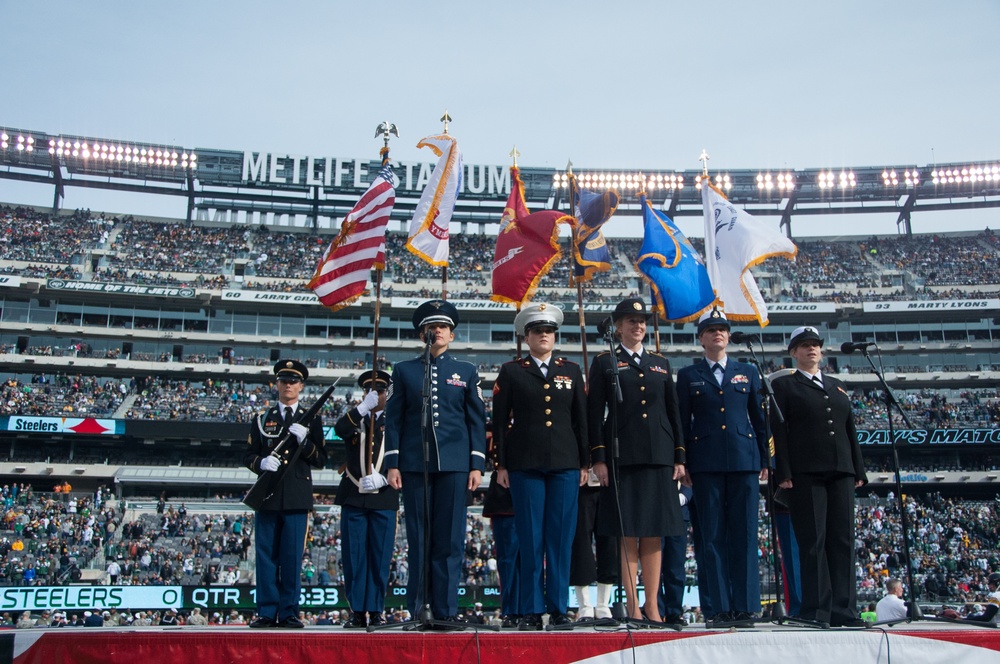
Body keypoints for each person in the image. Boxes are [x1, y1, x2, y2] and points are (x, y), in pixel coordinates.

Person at [384, 299, 487, 625]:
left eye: (443, 327)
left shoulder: (467, 371)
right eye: (432, 327)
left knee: (450, 541)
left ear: (452, 334)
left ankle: (445, 611)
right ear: (422, 334)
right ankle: (419, 609)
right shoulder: (403, 371)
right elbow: (394, 419)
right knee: (418, 540)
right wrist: (393, 462)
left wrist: (476, 464)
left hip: (456, 465)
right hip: (415, 464)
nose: (437, 331)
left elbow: (476, 420)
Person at [588, 297, 686, 624]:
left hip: (659, 455)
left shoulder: (660, 362)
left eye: (642, 321)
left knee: (655, 531)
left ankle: (653, 606)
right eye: (631, 321)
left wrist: (679, 456)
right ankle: (632, 606)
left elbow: (673, 413)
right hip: (622, 456)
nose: (638, 326)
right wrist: (598, 458)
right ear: (617, 327)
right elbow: (593, 415)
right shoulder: (605, 362)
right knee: (627, 530)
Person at [493, 303, 589, 630]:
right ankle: (532, 609)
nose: (544, 335)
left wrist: (585, 463)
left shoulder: (571, 371)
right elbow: (500, 422)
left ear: (554, 336)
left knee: (560, 539)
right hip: (525, 464)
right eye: (537, 331)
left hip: (565, 463)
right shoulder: (512, 371)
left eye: (548, 331)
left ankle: (560, 608)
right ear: (527, 336)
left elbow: (582, 422)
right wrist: (501, 464)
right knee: (531, 539)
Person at [675, 309, 769, 627]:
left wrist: (766, 461)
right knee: (710, 537)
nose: (718, 333)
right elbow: (681, 424)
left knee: (744, 535)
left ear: (728, 336)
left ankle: (744, 606)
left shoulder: (748, 372)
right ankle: (716, 607)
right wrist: (683, 460)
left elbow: (760, 419)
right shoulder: (688, 375)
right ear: (700, 338)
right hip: (705, 463)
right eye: (711, 329)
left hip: (744, 461)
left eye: (723, 329)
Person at [773, 326, 868, 628]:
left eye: (815, 345)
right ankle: (817, 609)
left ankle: (844, 609)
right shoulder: (785, 386)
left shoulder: (837, 385)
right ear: (793, 352)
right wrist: (783, 472)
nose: (811, 350)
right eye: (804, 346)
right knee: (812, 541)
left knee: (842, 540)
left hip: (841, 469)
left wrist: (859, 468)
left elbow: (849, 430)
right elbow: (779, 433)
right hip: (805, 471)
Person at [242, 359, 328, 629]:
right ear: (276, 384)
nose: (287, 385)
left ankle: (289, 611)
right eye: (283, 380)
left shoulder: (311, 419)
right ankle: (267, 612)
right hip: (267, 495)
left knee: (291, 558)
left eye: (293, 381)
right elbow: (248, 455)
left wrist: (306, 441)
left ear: (301, 386)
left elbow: (322, 459)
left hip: (295, 495)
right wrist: (261, 463)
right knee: (266, 557)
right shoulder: (262, 419)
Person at [334, 369, 400, 629]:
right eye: (370, 391)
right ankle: (357, 610)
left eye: (381, 391)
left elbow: (409, 451)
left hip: (384, 494)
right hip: (354, 494)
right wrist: (363, 408)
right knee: (354, 557)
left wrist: (386, 477)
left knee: (379, 556)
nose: (376, 395)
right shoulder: (356, 417)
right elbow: (339, 429)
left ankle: (376, 609)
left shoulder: (397, 419)